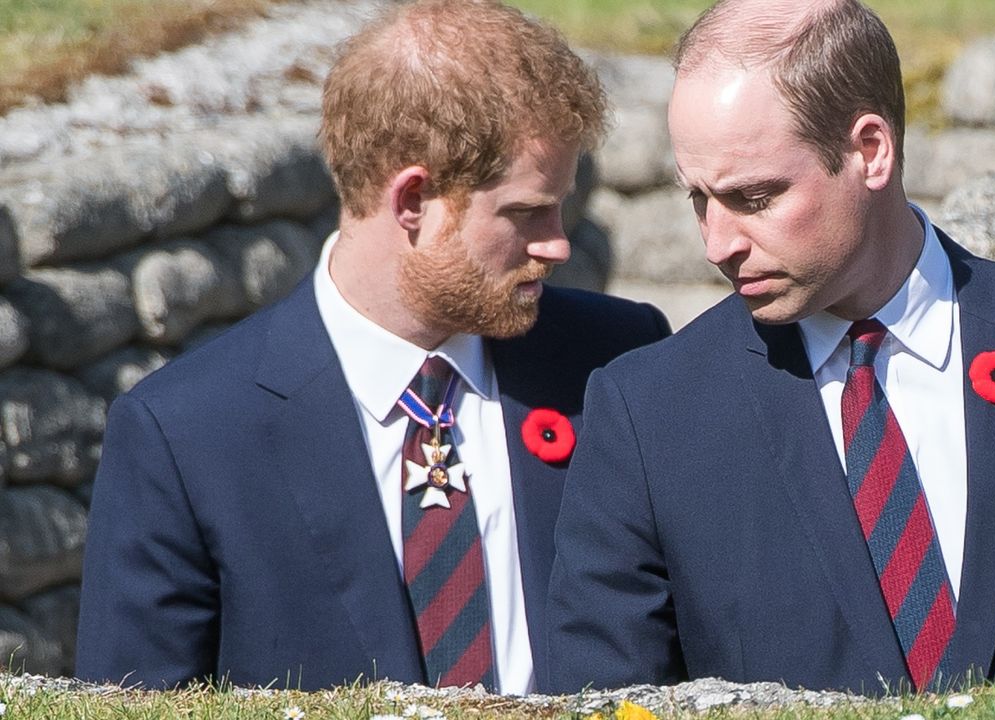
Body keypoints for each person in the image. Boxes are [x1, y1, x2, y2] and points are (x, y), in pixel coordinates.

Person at [545, 0, 995, 696]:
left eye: (756, 198)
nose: (717, 243)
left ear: (871, 151)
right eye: (698, 198)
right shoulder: (649, 414)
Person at [75, 0, 669, 692]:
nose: (558, 244)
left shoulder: (616, 360)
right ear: (412, 200)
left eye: (560, 207)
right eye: (524, 212)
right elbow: (138, 700)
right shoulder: (188, 433)